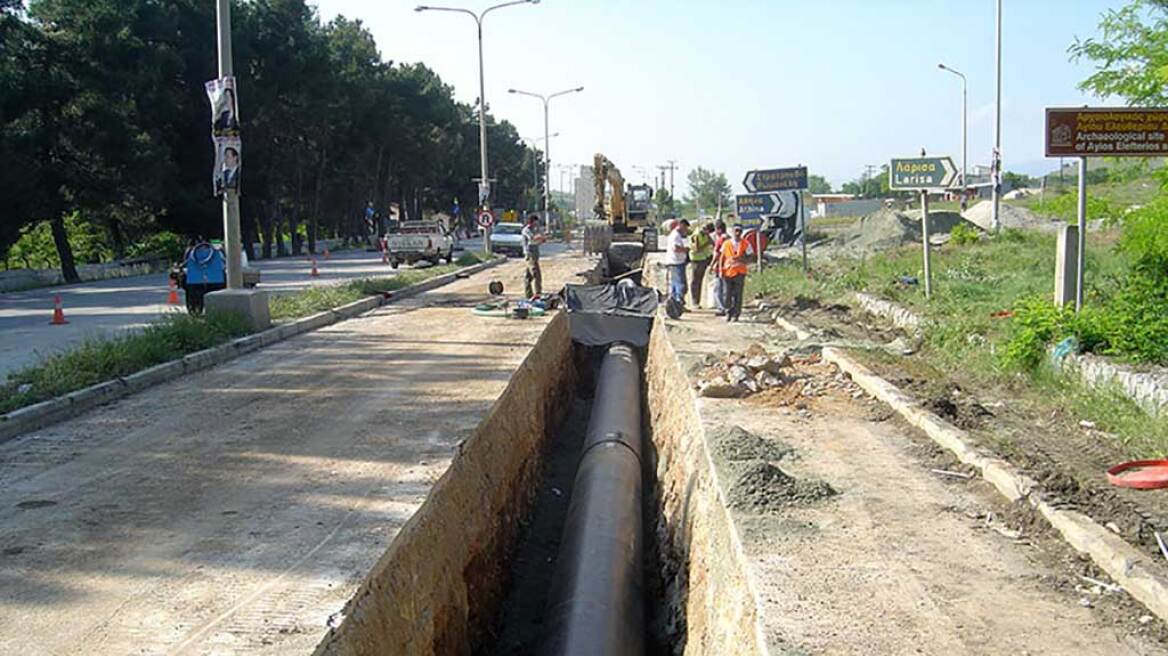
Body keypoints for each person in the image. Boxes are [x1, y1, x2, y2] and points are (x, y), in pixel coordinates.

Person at [720, 224, 751, 322]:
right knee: (727, 293)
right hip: (728, 271)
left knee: (738, 294)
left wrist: (741, 259)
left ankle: (736, 314)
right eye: (736, 231)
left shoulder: (746, 243)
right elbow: (722, 257)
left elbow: (751, 256)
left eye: (739, 231)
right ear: (732, 232)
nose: (737, 233)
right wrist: (720, 269)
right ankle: (728, 311)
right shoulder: (726, 243)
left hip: (740, 272)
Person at [665, 219, 690, 307]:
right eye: (685, 228)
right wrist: (686, 250)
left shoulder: (676, 235)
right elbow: (675, 248)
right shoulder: (675, 235)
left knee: (675, 284)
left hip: (675, 262)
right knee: (680, 284)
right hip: (676, 262)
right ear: (681, 225)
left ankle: (674, 304)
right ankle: (679, 303)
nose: (686, 230)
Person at [689, 222, 714, 307]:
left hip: (703, 258)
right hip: (696, 259)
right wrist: (707, 243)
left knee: (700, 281)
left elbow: (712, 243)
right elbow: (696, 249)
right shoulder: (696, 235)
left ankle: (698, 301)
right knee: (696, 281)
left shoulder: (705, 234)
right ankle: (695, 301)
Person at [521, 214, 546, 298]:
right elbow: (532, 239)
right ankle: (537, 294)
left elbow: (539, 241)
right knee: (536, 274)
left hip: (535, 256)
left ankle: (528, 295)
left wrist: (542, 238)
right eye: (535, 222)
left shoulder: (535, 230)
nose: (536, 224)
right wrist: (540, 237)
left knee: (528, 277)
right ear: (531, 222)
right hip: (530, 255)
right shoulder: (526, 230)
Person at [710, 220, 728, 315]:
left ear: (719, 229)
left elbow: (717, 254)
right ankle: (727, 306)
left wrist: (712, 265)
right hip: (729, 267)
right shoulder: (729, 238)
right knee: (727, 288)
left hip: (720, 267)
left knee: (718, 289)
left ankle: (721, 308)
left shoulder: (720, 240)